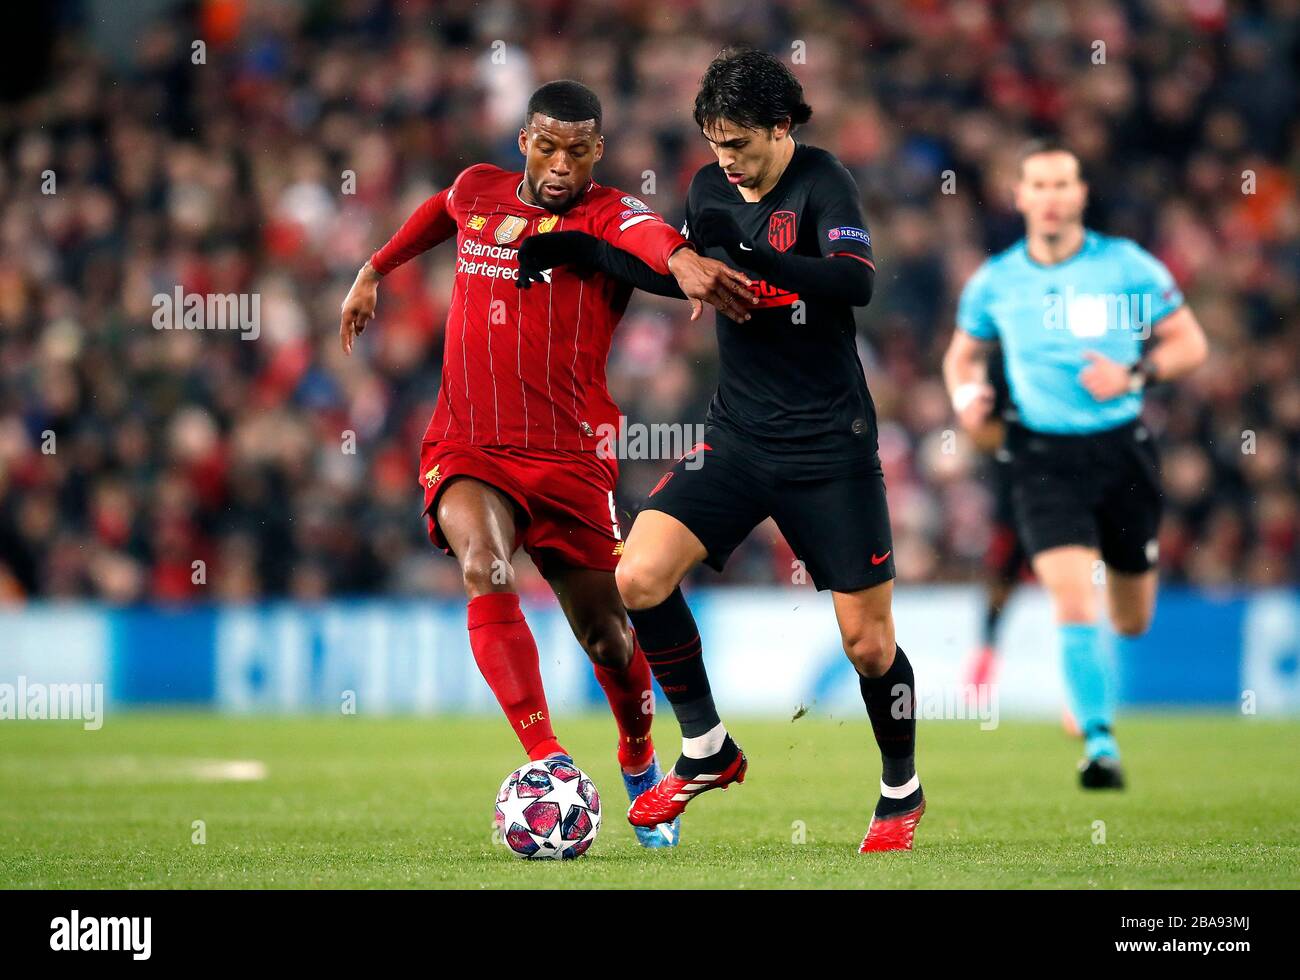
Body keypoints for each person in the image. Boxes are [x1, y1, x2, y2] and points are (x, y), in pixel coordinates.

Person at [522, 49, 925, 852]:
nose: (725, 161)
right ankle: (706, 746)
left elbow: (855, 282)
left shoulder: (822, 181)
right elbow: (688, 278)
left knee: (868, 644)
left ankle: (900, 789)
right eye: (714, 143)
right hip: (738, 438)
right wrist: (577, 250)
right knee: (636, 574)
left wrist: (757, 260)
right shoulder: (710, 189)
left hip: (828, 446)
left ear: (781, 128)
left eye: (738, 143)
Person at [338, 79, 754, 846]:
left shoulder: (609, 212)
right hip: (472, 443)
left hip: (571, 458)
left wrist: (688, 264)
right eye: (548, 145)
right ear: (523, 142)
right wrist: (373, 269)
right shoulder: (478, 191)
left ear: (597, 152)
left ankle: (637, 755)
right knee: (482, 568)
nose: (562, 164)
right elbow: (438, 211)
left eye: (579, 150)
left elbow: (652, 242)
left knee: (611, 639)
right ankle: (547, 757)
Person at [943, 140, 1209, 789]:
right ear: (1021, 197)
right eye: (1040, 184)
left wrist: (1136, 372)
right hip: (1041, 455)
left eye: (1064, 184)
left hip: (1121, 451)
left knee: (1130, 618)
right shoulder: (996, 280)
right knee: (1071, 597)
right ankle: (1099, 741)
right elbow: (961, 356)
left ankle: (1087, 686)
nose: (1053, 197)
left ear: (1081, 194)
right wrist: (967, 396)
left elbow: (1191, 344)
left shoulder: (1127, 267)